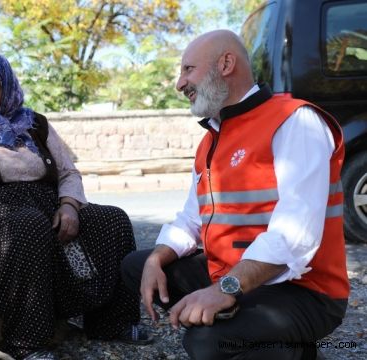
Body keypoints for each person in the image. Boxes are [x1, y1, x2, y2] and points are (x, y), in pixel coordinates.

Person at [121, 29, 349, 359]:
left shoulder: (295, 121)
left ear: (226, 63)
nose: (179, 83)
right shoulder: (211, 139)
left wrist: (223, 290)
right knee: (137, 266)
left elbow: (293, 236)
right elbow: (191, 219)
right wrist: (158, 256)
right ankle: (247, 332)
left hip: (305, 290)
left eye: (188, 70)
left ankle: (294, 351)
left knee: (204, 344)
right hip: (238, 276)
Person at [0, 52, 147, 360]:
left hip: (42, 205)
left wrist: (70, 206)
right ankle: (26, 343)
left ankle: (111, 322)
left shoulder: (34, 124)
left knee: (111, 219)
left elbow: (67, 171)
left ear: (5, 83)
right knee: (28, 225)